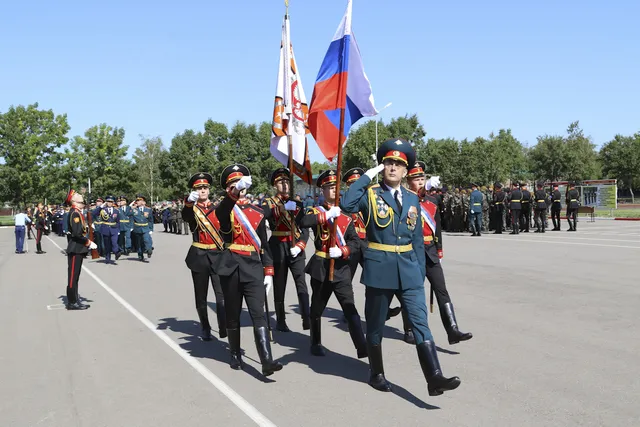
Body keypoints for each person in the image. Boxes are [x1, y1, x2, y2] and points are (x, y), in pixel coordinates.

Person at [341, 138, 460, 397]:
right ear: (382, 167)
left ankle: (434, 377)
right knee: (374, 326)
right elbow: (346, 205)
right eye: (388, 163)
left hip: (409, 271)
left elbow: (417, 239)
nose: (392, 168)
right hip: (379, 270)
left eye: (397, 164)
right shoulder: (371, 194)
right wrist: (366, 177)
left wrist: (418, 272)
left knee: (420, 323)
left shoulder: (411, 198)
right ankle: (377, 373)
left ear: (406, 171)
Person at [216, 164, 282, 377]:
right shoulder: (224, 209)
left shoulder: (257, 212)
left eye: (240, 183)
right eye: (233, 184)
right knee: (233, 314)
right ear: (228, 188)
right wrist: (233, 194)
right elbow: (223, 212)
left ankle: (266, 360)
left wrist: (269, 270)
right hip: (232, 266)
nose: (239, 187)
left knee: (258, 313)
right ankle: (235, 353)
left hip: (253, 267)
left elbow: (264, 243)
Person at [298, 169, 367, 359]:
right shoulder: (316, 211)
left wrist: (344, 251)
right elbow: (303, 221)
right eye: (329, 187)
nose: (334, 191)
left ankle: (361, 346)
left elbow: (354, 241)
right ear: (322, 190)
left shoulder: (345, 215)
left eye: (335, 187)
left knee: (349, 306)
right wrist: (326, 216)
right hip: (321, 266)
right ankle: (315, 341)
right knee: (317, 308)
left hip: (341, 268)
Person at [407, 161, 473, 345]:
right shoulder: (404, 203)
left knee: (441, 290)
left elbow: (437, 229)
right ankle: (409, 328)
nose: (420, 182)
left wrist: (439, 250)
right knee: (412, 291)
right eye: (416, 179)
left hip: (430, 252)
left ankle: (452, 330)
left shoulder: (432, 203)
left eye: (422, 179)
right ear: (408, 181)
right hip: (412, 253)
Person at [260, 168, 310, 332]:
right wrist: (281, 209)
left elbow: (305, 228)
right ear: (275, 185)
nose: (285, 185)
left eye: (287, 181)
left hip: (294, 245)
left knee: (301, 282)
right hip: (278, 244)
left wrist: (301, 245)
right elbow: (263, 215)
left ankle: (306, 316)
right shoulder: (269, 202)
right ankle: (281, 320)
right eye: (281, 182)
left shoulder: (298, 204)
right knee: (279, 285)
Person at [182, 173, 227, 342]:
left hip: (218, 255)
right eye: (199, 188)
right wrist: (188, 202)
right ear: (194, 191)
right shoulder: (192, 209)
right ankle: (205, 327)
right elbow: (185, 217)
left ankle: (223, 325)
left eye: (205, 188)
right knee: (201, 296)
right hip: (199, 255)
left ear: (209, 190)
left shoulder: (218, 207)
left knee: (221, 294)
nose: (202, 190)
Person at [64, 189, 98, 310]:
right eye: (77, 195)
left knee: (76, 276)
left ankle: (75, 300)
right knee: (73, 276)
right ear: (74, 200)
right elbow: (77, 234)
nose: (79, 195)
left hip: (79, 248)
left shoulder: (77, 212)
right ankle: (72, 302)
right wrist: (88, 242)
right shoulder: (74, 213)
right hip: (76, 248)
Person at [93, 195, 122, 264]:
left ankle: (116, 252)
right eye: (108, 201)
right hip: (105, 228)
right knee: (107, 245)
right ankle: (107, 258)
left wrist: (118, 230)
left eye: (111, 202)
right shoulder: (102, 210)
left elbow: (118, 221)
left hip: (114, 229)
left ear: (113, 203)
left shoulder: (116, 211)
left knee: (114, 243)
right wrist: (101, 207)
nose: (109, 203)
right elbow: (94, 213)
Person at [131, 195, 154, 261]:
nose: (138, 202)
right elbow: (131, 219)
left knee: (146, 239)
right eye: (137, 201)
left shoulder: (148, 210)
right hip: (137, 228)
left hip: (145, 227)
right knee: (138, 243)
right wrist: (132, 227)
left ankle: (149, 250)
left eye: (140, 200)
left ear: (144, 202)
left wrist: (151, 229)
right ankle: (140, 254)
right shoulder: (134, 210)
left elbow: (150, 220)